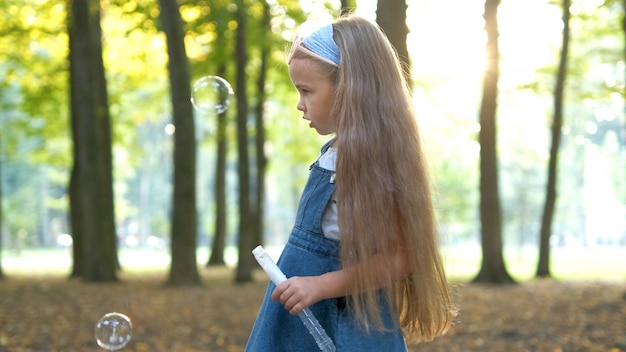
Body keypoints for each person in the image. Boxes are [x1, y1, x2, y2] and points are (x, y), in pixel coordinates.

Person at [245, 14, 455, 351]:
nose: (300, 105)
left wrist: (319, 286)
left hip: (340, 320)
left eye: (306, 91)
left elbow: (400, 257)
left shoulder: (372, 163)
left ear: (349, 89)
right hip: (303, 313)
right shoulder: (333, 153)